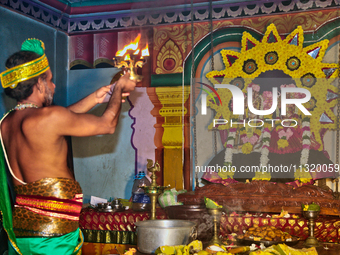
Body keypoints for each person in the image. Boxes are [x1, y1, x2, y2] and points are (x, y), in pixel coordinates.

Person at [0, 38, 136, 254]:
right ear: (39, 83)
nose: (53, 86)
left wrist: (96, 97)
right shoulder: (49, 117)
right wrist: (119, 89)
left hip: (24, 234)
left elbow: (59, 119)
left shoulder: (7, 122)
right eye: (50, 80)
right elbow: (107, 125)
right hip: (54, 238)